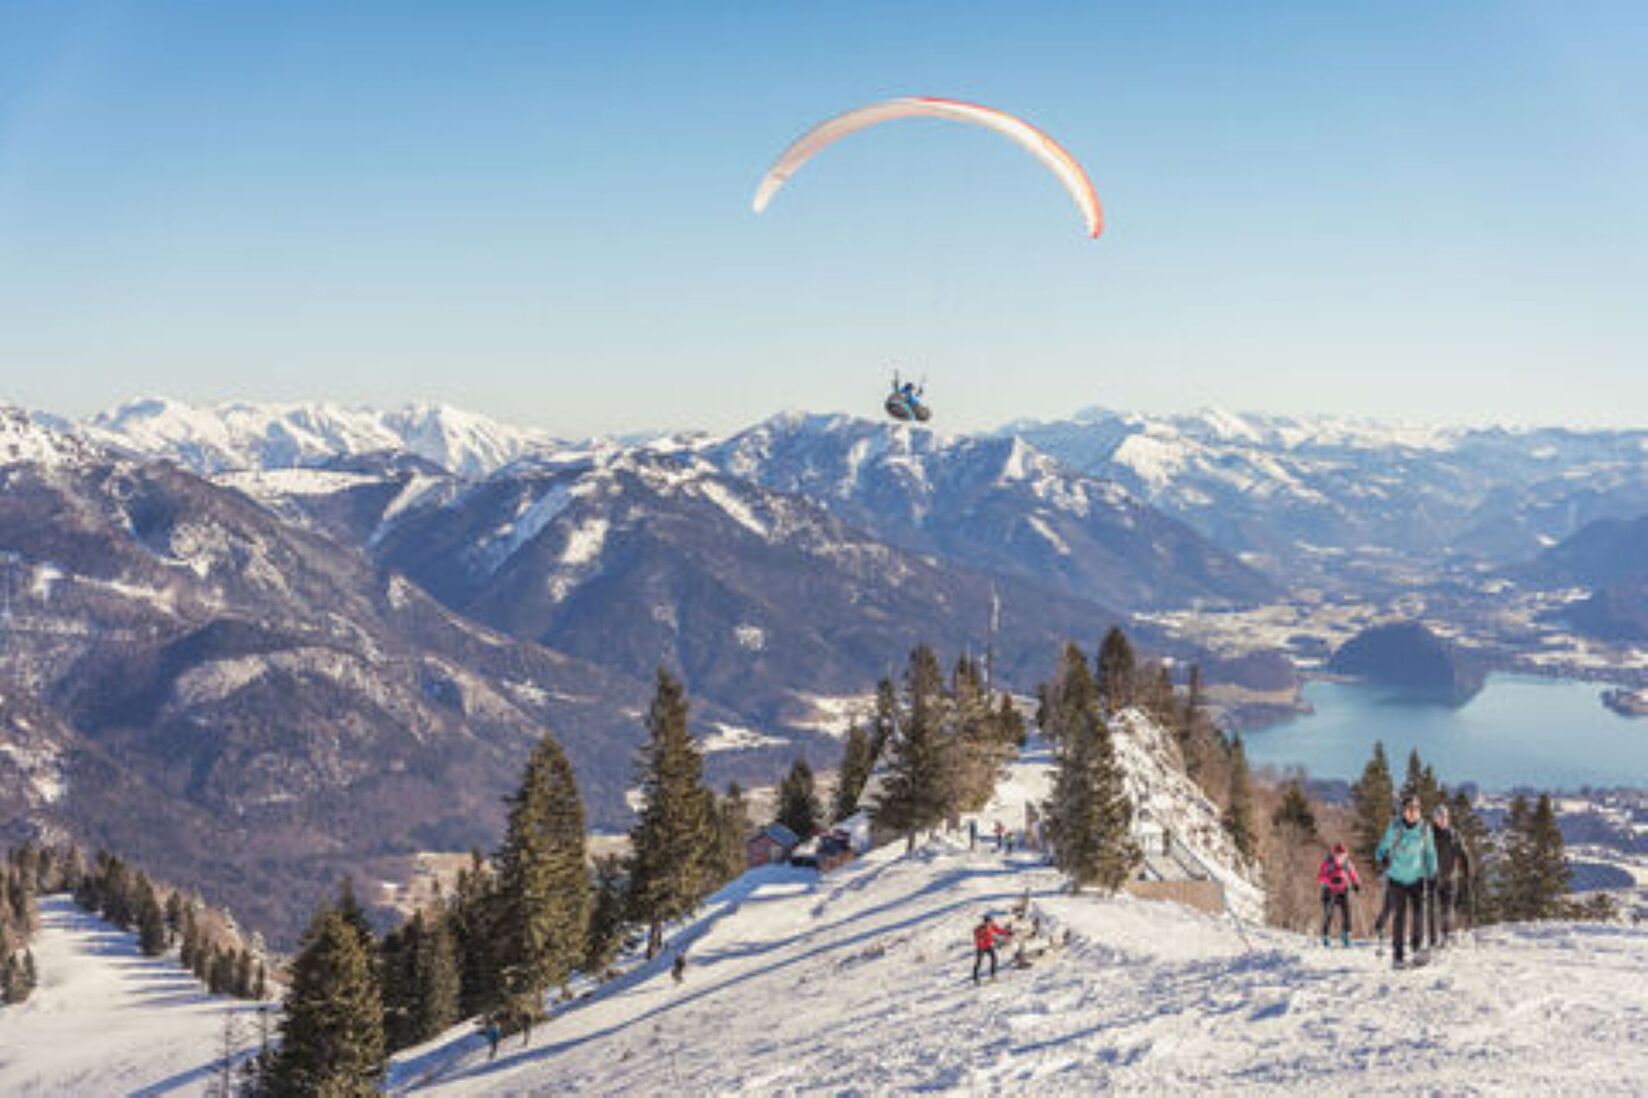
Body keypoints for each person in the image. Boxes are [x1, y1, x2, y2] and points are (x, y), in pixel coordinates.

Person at [1375, 794, 1439, 969]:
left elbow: (1430, 853)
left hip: (1417, 878)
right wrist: (1383, 859)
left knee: (1419, 914)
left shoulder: (1425, 829)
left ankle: (1417, 949)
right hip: (1396, 878)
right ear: (1403, 811)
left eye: (1416, 809)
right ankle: (1398, 956)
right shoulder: (1395, 827)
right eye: (1409, 809)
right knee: (1400, 916)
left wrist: (1433, 874)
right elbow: (1381, 848)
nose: (1412, 813)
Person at [1429, 804, 1471, 948]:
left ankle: (1446, 936)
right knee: (1433, 908)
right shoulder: (1428, 835)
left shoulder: (1454, 835)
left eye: (1445, 817)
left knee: (1447, 908)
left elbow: (1463, 852)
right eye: (1439, 817)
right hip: (1432, 877)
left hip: (1450, 878)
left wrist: (1467, 869)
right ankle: (1433, 938)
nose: (1442, 820)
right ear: (1434, 819)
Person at [1317, 842, 1362, 947]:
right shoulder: (1328, 863)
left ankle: (1345, 935)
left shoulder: (1347, 863)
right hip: (1329, 890)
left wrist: (1356, 884)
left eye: (1342, 854)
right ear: (1334, 853)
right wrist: (1331, 880)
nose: (1340, 856)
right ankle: (1326, 936)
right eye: (1338, 854)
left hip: (1343, 890)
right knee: (1328, 913)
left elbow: (1353, 874)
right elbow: (1320, 877)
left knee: (1347, 913)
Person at [972, 912, 1012, 984]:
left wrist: (1007, 933)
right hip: (981, 947)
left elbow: (999, 931)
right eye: (988, 922)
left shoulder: (992, 927)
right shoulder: (980, 929)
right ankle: (976, 978)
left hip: (988, 946)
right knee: (979, 962)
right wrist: (980, 938)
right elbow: (976, 934)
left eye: (991, 922)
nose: (990, 924)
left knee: (994, 958)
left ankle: (993, 975)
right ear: (985, 922)